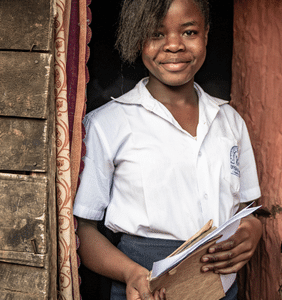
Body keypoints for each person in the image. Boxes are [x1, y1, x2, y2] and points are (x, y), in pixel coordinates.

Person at [74, 0, 262, 299]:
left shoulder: (229, 121)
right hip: (145, 286)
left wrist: (253, 230)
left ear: (206, 34)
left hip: (220, 288)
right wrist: (132, 273)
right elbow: (84, 231)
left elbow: (246, 210)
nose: (174, 46)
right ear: (137, 38)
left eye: (189, 32)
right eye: (156, 34)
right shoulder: (108, 124)